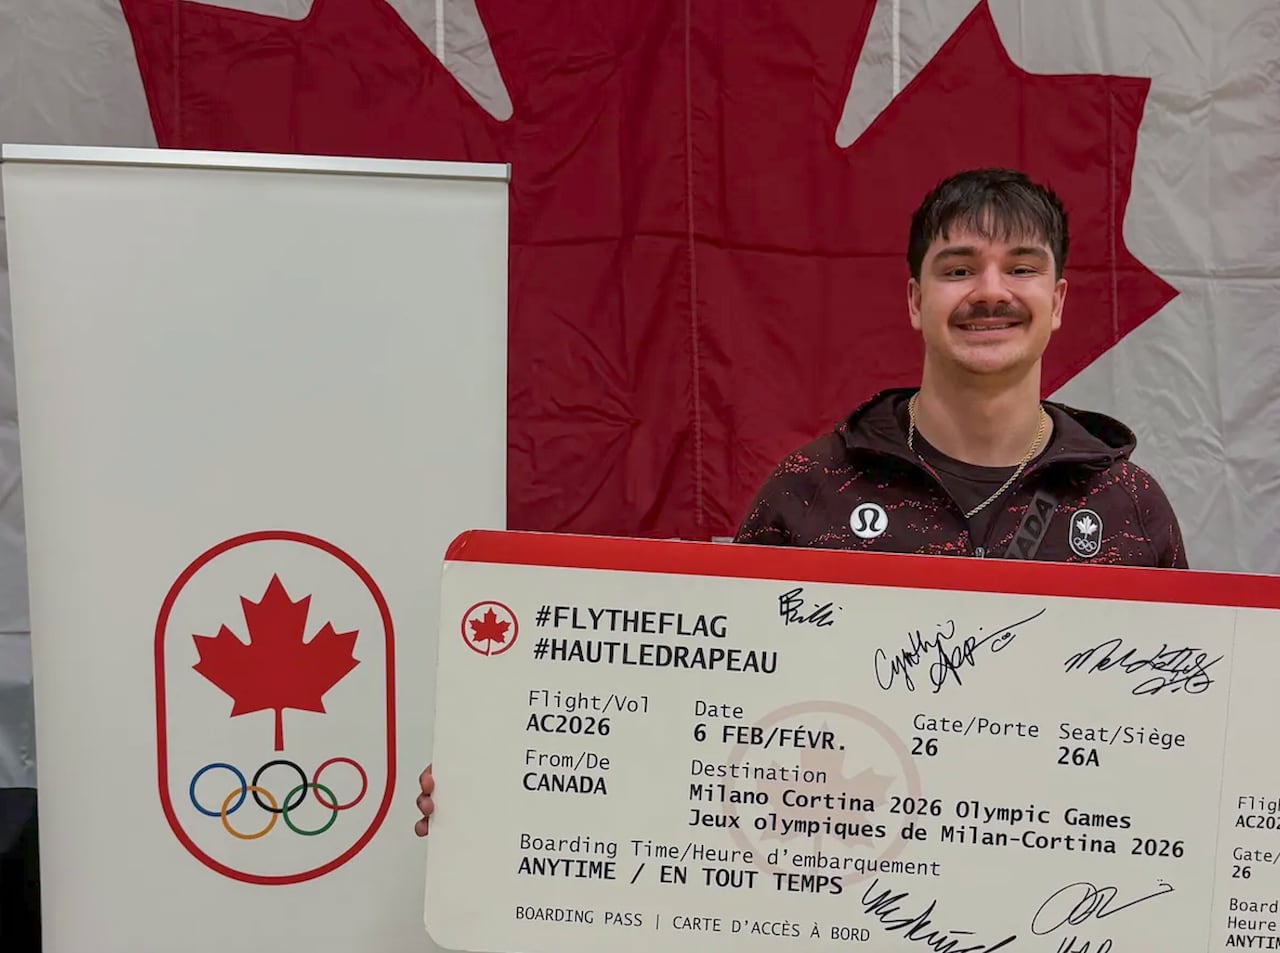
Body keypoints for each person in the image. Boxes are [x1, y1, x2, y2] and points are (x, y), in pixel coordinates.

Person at [413, 166, 1187, 835]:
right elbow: (704, 713)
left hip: (1060, 907)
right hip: (843, 898)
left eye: (1020, 268)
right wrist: (505, 791)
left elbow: (1181, 737)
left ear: (1057, 300)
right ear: (916, 299)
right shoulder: (812, 487)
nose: (990, 291)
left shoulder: (1128, 506)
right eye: (958, 268)